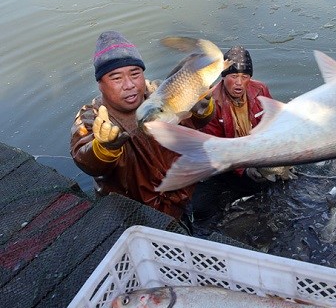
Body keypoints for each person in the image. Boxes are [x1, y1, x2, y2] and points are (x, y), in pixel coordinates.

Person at [70, 31, 213, 232]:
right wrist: (104, 148)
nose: (129, 85)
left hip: (180, 196)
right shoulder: (91, 117)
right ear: (100, 84)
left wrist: (202, 109)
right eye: (116, 77)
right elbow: (86, 160)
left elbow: (193, 125)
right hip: (135, 212)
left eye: (135, 74)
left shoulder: (160, 92)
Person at [192, 45, 295, 220]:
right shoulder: (211, 103)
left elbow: (273, 126)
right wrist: (244, 170)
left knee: (280, 185)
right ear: (223, 77)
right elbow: (215, 149)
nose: (239, 83)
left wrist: (281, 159)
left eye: (244, 76)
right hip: (220, 165)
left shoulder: (260, 90)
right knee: (201, 210)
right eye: (233, 76)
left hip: (254, 156)